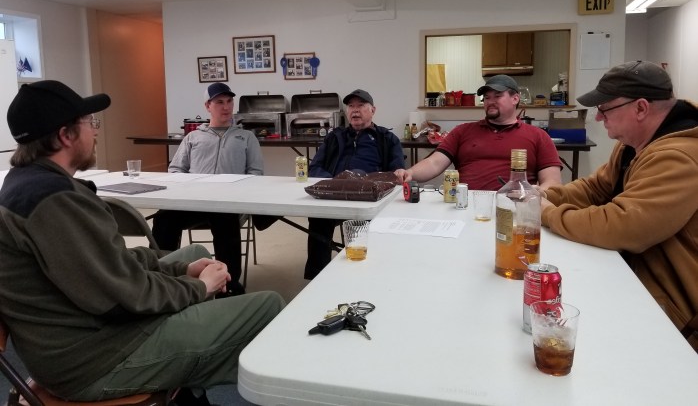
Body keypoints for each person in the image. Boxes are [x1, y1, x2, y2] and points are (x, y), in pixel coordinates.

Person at [0, 80, 284, 404]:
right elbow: (124, 297)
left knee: (194, 253)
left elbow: (108, 263)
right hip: (97, 359)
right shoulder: (54, 201)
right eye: (90, 123)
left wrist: (182, 269)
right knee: (268, 305)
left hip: (83, 336)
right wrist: (198, 287)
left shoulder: (28, 184)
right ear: (66, 135)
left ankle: (189, 389)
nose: (95, 131)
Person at [540, 61, 698, 351]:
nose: (599, 117)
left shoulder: (679, 157)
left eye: (605, 108)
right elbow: (595, 189)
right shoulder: (634, 145)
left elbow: (623, 226)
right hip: (637, 276)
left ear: (641, 108)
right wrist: (544, 196)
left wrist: (548, 214)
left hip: (677, 315)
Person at [152, 82, 264, 296]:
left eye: (229, 101)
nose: (226, 107)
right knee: (164, 218)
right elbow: (175, 169)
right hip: (194, 202)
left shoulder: (246, 137)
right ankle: (160, 274)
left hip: (227, 203)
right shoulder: (193, 137)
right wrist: (188, 186)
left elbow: (256, 173)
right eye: (219, 102)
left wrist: (239, 189)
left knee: (225, 220)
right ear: (207, 106)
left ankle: (229, 284)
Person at [395, 75, 562, 190]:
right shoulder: (463, 131)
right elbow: (434, 163)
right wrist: (410, 173)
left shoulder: (538, 136)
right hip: (465, 206)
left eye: (497, 96)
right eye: (487, 98)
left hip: (515, 206)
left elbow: (552, 182)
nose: (490, 101)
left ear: (515, 98)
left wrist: (537, 195)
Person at [304, 89, 405, 279]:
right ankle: (316, 277)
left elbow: (396, 173)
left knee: (366, 224)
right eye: (351, 106)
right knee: (318, 217)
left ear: (373, 110)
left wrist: (373, 182)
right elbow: (315, 167)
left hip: (369, 197)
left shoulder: (387, 139)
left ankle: (362, 276)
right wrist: (334, 184)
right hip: (335, 194)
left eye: (361, 105)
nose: (355, 110)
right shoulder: (334, 137)